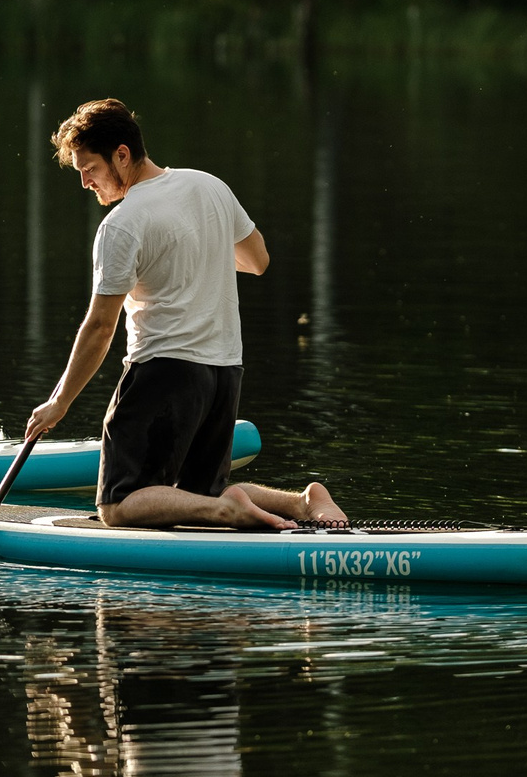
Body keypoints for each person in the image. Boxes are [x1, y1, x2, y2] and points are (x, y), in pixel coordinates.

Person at [23, 99, 346, 531]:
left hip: (165, 370)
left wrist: (59, 401)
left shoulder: (123, 223)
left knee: (119, 504)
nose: (84, 182)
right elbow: (258, 260)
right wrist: (198, 250)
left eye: (90, 168)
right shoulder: (209, 186)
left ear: (122, 154)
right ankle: (304, 502)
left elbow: (101, 327)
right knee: (201, 492)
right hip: (225, 371)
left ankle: (227, 512)